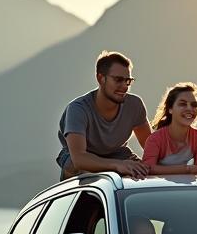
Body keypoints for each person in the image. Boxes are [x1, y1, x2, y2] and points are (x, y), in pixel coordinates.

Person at [56, 51, 150, 180]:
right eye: (118, 80)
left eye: (128, 81)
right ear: (101, 78)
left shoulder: (134, 105)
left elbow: (151, 148)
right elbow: (79, 158)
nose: (124, 86)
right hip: (79, 157)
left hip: (118, 153)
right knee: (85, 173)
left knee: (144, 170)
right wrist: (117, 165)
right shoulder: (78, 109)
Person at [142, 83, 197, 175]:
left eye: (194, 105)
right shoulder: (155, 139)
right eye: (182, 104)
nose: (189, 108)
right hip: (158, 186)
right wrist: (187, 169)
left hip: (185, 187)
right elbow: (148, 168)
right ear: (170, 109)